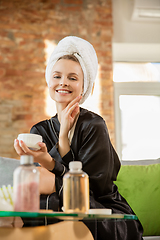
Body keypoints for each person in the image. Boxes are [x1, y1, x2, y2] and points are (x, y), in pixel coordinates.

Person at [14, 36, 143, 239]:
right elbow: (42, 191)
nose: (63, 82)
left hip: (103, 214)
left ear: (84, 88)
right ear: (49, 81)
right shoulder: (39, 130)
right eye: (57, 76)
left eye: (72, 78)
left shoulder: (94, 125)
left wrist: (61, 144)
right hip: (60, 210)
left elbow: (96, 190)